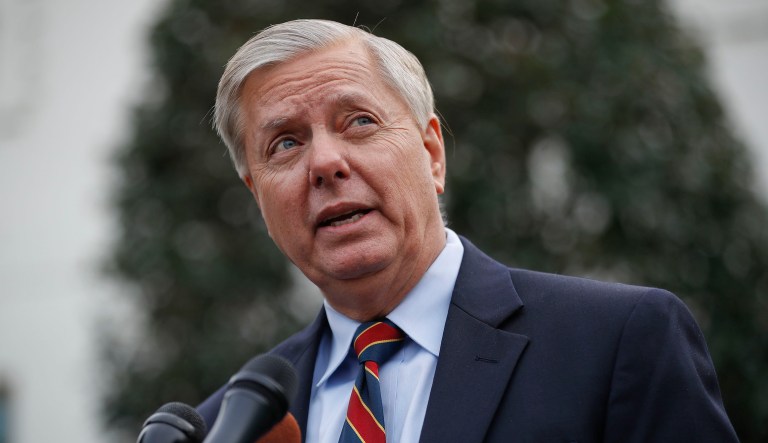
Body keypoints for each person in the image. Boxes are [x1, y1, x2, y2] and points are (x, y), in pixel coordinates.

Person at [197, 19, 738, 442]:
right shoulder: (231, 425)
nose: (325, 162)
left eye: (359, 122)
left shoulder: (616, 343)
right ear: (258, 196)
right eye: (285, 144)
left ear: (433, 154)